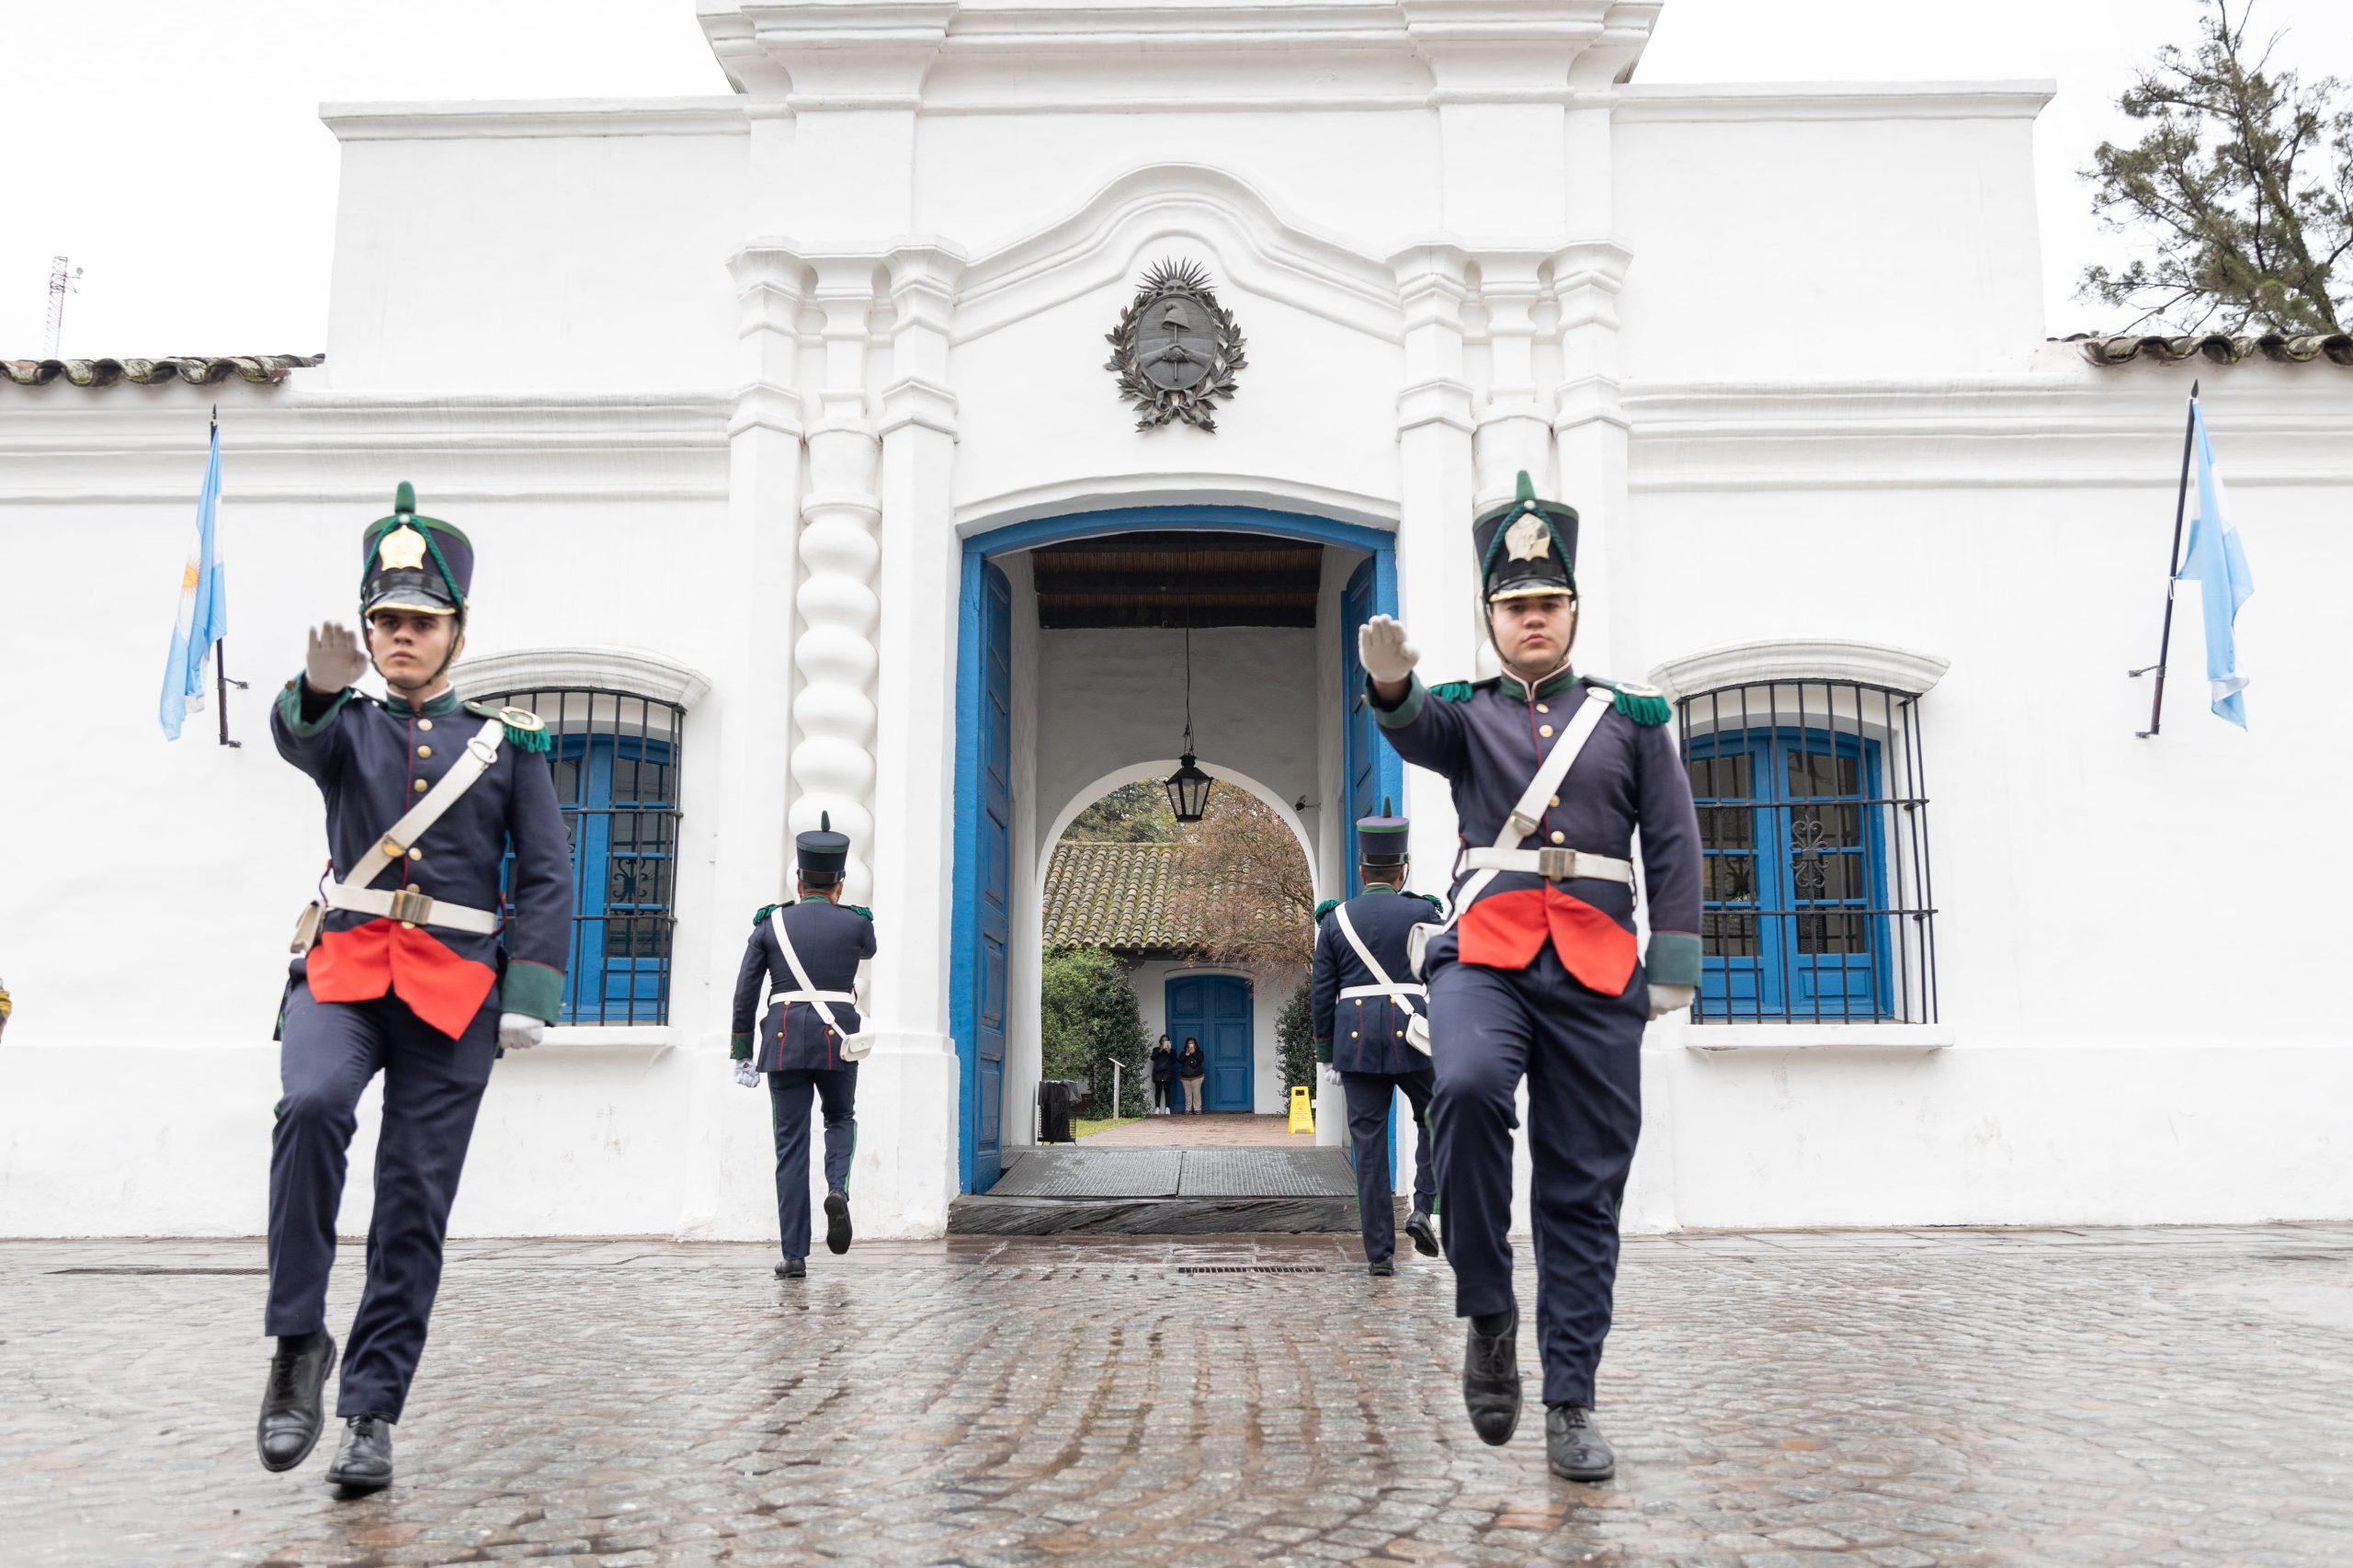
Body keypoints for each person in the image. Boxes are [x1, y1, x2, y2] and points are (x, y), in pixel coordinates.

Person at [1358, 472, 1700, 1483]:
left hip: (1597, 961)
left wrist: (1670, 955)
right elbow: (1418, 730)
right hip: (1486, 949)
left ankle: (1571, 1398)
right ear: (1491, 619)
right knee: (1460, 1087)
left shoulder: (1630, 719)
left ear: (1572, 611)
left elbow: (1673, 841)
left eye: (1547, 604)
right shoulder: (1467, 716)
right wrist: (1390, 689)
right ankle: (1488, 1310)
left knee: (1583, 1187)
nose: (1532, 620)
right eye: (1514, 607)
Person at [256, 483, 572, 1495]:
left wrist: (530, 985)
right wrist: (312, 686)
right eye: (385, 619)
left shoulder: (503, 740)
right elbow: (298, 737)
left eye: (419, 622)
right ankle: (299, 1341)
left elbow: (547, 870)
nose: (399, 636)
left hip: (454, 993)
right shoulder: (342, 723)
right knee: (309, 1106)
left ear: (456, 631)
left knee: (412, 1199)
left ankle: (372, 1409)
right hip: (343, 970)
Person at [731, 813, 876, 1278]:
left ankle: (794, 1255)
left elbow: (746, 990)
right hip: (839, 1039)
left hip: (783, 1037)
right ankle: (838, 1188)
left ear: (798, 880)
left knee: (790, 1146)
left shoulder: (769, 924)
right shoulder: (856, 924)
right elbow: (868, 950)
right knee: (839, 1118)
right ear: (840, 883)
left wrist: (740, 1050)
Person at [1309, 798, 1443, 1276]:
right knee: (1437, 1118)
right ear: (1402, 868)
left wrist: (1326, 1056)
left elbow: (1322, 995)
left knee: (1368, 1147)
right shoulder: (1426, 912)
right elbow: (1445, 977)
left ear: (1362, 869)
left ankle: (1380, 1257)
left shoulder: (1334, 920)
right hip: (1415, 1035)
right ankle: (1424, 1207)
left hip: (1356, 1039)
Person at [1176, 1035, 1206, 1114]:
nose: (1191, 1045)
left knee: (1196, 1093)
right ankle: (1188, 1109)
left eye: (1192, 1043)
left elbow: (1201, 1060)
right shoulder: (1183, 1053)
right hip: (1185, 1077)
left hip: (1197, 1076)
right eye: (1189, 1044)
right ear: (1187, 1045)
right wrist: (1187, 1054)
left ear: (1195, 1045)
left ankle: (1197, 1109)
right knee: (1187, 1094)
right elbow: (1180, 1060)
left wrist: (1194, 1053)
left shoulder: (1199, 1053)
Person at [1149, 1033, 1174, 1115]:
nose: (1164, 1042)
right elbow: (1153, 1058)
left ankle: (1168, 1108)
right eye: (1163, 1040)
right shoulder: (1156, 1049)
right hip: (1158, 1072)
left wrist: (1169, 1051)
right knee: (1158, 1091)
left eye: (1166, 1040)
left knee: (1167, 1091)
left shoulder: (1172, 1050)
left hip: (1167, 1072)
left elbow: (1174, 1060)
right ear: (1160, 1041)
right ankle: (1157, 1108)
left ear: (1169, 1042)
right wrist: (1160, 1050)